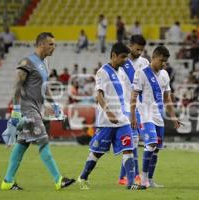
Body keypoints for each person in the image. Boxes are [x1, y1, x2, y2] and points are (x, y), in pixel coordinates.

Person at [0, 32, 75, 190]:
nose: (54, 47)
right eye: (51, 44)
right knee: (43, 141)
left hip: (36, 109)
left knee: (21, 144)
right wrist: (16, 110)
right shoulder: (27, 61)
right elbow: (17, 86)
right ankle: (58, 179)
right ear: (41, 44)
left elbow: (44, 87)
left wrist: (54, 104)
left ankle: (7, 181)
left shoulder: (45, 64)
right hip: (28, 110)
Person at [77, 42, 146, 190]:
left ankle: (131, 183)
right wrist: (108, 112)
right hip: (106, 121)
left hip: (122, 119)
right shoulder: (103, 72)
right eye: (122, 57)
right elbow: (98, 94)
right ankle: (82, 177)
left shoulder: (121, 72)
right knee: (97, 153)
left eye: (126, 57)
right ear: (113, 55)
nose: (125, 60)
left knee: (129, 148)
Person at [131, 46, 181, 188]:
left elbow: (167, 99)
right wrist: (133, 116)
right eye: (161, 61)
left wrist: (173, 117)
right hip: (145, 114)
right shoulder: (141, 73)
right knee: (151, 143)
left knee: (157, 148)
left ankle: (150, 179)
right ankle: (143, 177)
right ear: (153, 57)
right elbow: (133, 96)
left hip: (158, 116)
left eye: (165, 62)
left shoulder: (165, 74)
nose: (163, 64)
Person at [118, 35, 149, 185]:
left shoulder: (145, 62)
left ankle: (123, 177)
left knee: (136, 142)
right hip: (127, 107)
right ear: (130, 46)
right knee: (133, 140)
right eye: (137, 49)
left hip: (142, 106)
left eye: (142, 50)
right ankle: (135, 175)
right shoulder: (122, 63)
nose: (139, 52)